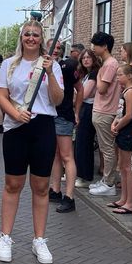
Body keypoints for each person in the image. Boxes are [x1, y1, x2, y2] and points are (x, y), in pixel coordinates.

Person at [0, 20, 63, 264]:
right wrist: (14, 113)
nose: (31, 38)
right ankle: (5, 236)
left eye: (35, 34)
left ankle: (39, 240)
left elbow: (57, 99)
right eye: (27, 34)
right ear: (21, 37)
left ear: (42, 38)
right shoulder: (8, 65)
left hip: (43, 128)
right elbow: (1, 95)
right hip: (16, 127)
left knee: (41, 187)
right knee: (13, 183)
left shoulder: (50, 65)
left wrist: (51, 72)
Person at [48, 41, 83, 213]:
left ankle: (69, 197)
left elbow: (80, 88)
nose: (55, 50)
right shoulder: (42, 64)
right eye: (52, 47)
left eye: (58, 48)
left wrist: (77, 112)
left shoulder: (68, 66)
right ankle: (55, 190)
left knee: (67, 156)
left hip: (63, 116)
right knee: (55, 155)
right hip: (48, 115)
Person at [89, 31, 122, 196]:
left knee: (107, 148)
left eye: (95, 45)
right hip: (102, 110)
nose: (93, 48)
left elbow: (101, 89)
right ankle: (107, 180)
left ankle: (109, 183)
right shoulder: (108, 63)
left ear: (104, 46)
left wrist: (98, 74)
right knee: (105, 147)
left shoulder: (109, 64)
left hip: (105, 110)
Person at [107, 64, 132, 215]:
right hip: (122, 129)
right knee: (122, 165)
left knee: (128, 167)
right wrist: (114, 123)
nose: (117, 77)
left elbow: (129, 115)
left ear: (129, 76)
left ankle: (130, 202)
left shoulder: (130, 92)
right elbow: (120, 112)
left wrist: (118, 126)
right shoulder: (125, 91)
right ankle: (123, 198)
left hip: (128, 131)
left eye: (120, 74)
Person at [73, 49, 101, 188]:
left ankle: (84, 176)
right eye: (83, 58)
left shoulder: (94, 74)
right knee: (79, 141)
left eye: (88, 57)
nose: (85, 60)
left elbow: (84, 94)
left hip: (89, 108)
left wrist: (75, 95)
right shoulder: (86, 74)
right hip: (84, 107)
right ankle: (79, 173)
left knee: (84, 142)